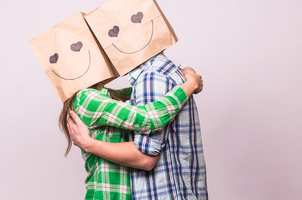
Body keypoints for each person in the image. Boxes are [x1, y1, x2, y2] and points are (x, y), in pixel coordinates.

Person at [68, 53, 208, 200]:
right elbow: (149, 117)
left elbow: (138, 91)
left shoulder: (102, 95)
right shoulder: (87, 98)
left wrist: (181, 73)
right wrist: (191, 84)